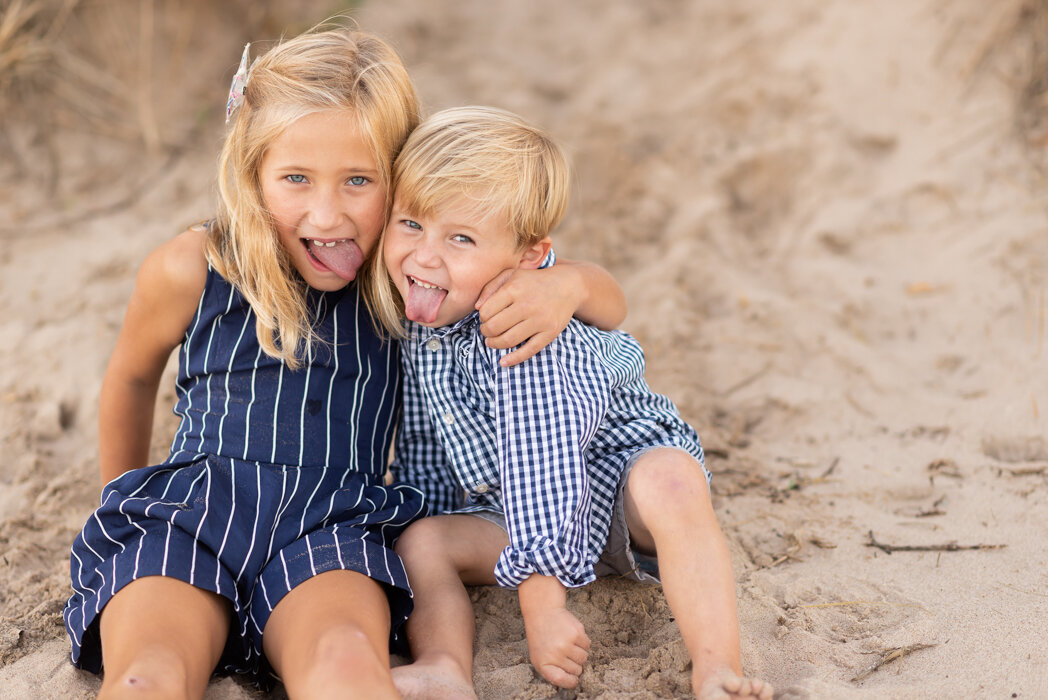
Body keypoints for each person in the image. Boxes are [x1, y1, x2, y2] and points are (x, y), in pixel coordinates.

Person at [63, 27, 625, 700]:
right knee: (145, 675)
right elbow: (129, 377)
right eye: (295, 178)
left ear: (404, 183)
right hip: (193, 512)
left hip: (330, 528)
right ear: (251, 172)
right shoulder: (197, 266)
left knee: (347, 666)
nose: (327, 214)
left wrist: (572, 285)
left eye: (359, 181)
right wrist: (124, 508)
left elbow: (601, 300)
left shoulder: (413, 284)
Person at [366, 106, 774, 700]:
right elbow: (434, 435)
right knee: (423, 543)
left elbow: (544, 465)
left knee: (673, 482)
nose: (424, 256)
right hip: (512, 507)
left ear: (530, 257)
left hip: (613, 491)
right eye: (409, 224)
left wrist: (543, 606)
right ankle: (444, 665)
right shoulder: (431, 306)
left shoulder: (523, 327)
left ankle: (718, 669)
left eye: (460, 237)